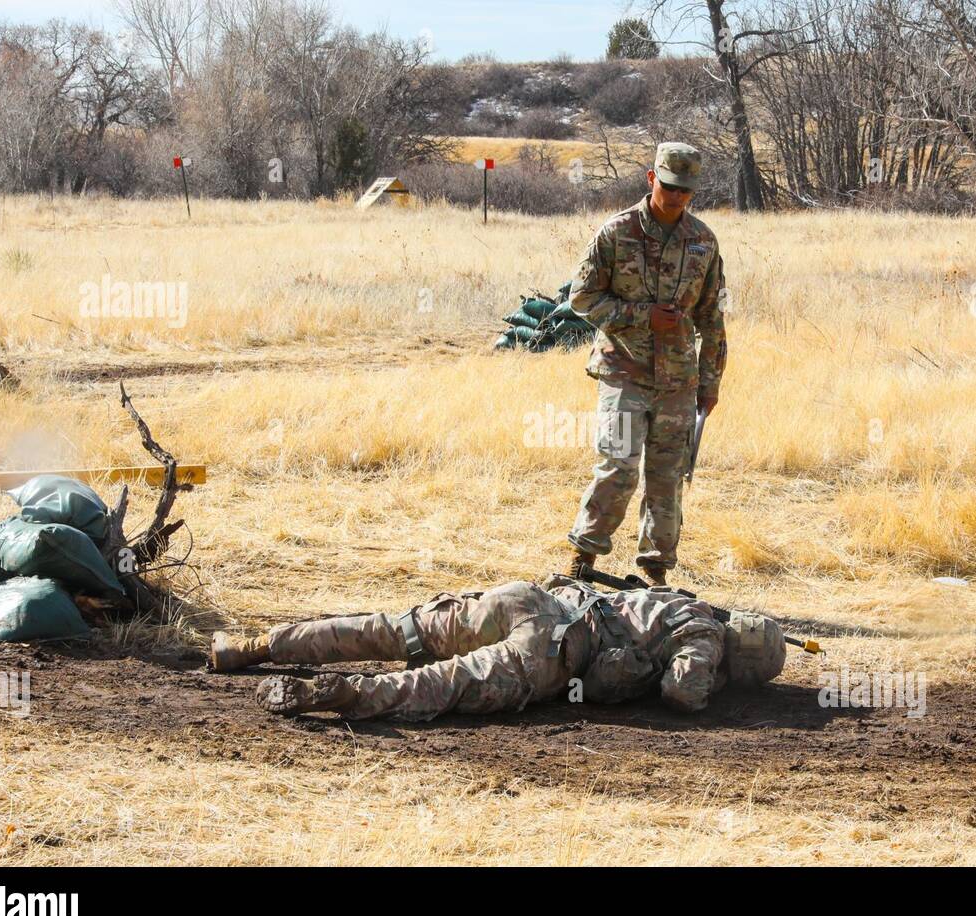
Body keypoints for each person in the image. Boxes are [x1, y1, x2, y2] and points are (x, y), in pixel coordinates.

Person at [209, 575, 784, 722]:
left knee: (392, 630)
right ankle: (340, 695)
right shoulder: (704, 636)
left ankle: (253, 645)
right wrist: (711, 689)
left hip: (525, 600)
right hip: (550, 654)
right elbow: (682, 690)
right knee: (438, 685)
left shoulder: (680, 601)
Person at [565, 141, 728, 588]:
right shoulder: (616, 233)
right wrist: (640, 316)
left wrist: (710, 383)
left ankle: (656, 569)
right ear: (652, 178)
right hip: (624, 371)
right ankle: (584, 557)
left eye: (685, 191)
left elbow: (712, 316)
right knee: (617, 464)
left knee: (668, 476)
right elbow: (581, 298)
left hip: (679, 379)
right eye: (670, 187)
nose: (676, 198)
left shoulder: (703, 242)